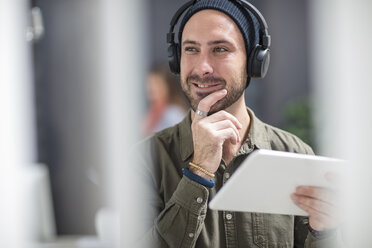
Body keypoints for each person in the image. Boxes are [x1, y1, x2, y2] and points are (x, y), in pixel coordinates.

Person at [131, 0, 342, 247]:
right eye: (191, 49)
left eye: (220, 49)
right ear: (176, 59)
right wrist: (198, 172)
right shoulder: (145, 159)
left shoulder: (295, 154)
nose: (203, 67)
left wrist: (324, 233)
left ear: (254, 61)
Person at [141, 64, 188, 137]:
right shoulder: (153, 113)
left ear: (168, 86)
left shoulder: (173, 114)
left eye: (156, 83)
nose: (152, 88)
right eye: (150, 83)